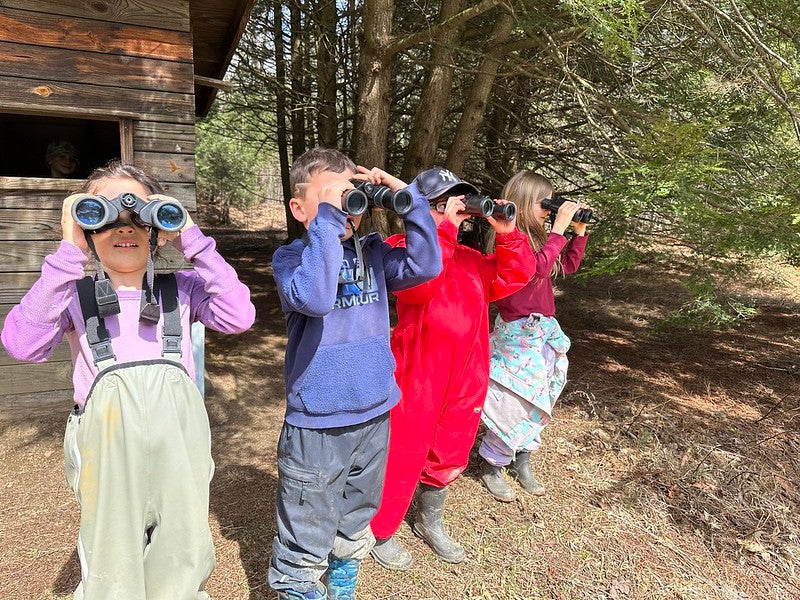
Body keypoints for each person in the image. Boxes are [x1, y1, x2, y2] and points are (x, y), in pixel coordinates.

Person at [1, 161, 256, 599]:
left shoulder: (184, 289)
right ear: (85, 226)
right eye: (103, 216)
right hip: (106, 444)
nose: (125, 228)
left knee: (183, 546)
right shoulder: (71, 294)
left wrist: (193, 240)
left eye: (139, 216)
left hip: (179, 445)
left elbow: (239, 315)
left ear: (159, 228)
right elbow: (22, 344)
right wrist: (68, 254)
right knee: (112, 554)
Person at [268, 147, 441, 600]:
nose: (346, 207)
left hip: (375, 409)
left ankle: (342, 581)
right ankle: (298, 584)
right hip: (318, 422)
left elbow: (427, 265)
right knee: (308, 522)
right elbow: (318, 298)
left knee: (357, 510)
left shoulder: (375, 253)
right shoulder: (290, 259)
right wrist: (326, 221)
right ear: (299, 208)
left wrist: (412, 201)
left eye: (352, 196)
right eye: (330, 196)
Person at [369, 167, 537, 571]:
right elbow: (422, 283)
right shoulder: (401, 249)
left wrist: (508, 232)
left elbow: (518, 273)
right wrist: (437, 229)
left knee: (451, 447)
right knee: (405, 449)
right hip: (419, 371)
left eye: (460, 202)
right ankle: (383, 529)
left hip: (468, 371)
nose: (456, 211)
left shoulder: (473, 260)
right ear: (422, 208)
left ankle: (430, 519)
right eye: (444, 204)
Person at [477, 170, 590, 503]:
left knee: (542, 393)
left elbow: (565, 266)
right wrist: (558, 229)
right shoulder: (510, 238)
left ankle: (523, 456)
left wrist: (578, 231)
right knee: (515, 398)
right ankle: (492, 463)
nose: (549, 209)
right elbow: (537, 269)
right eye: (545, 203)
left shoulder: (540, 237)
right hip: (517, 332)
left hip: (543, 331)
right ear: (524, 202)